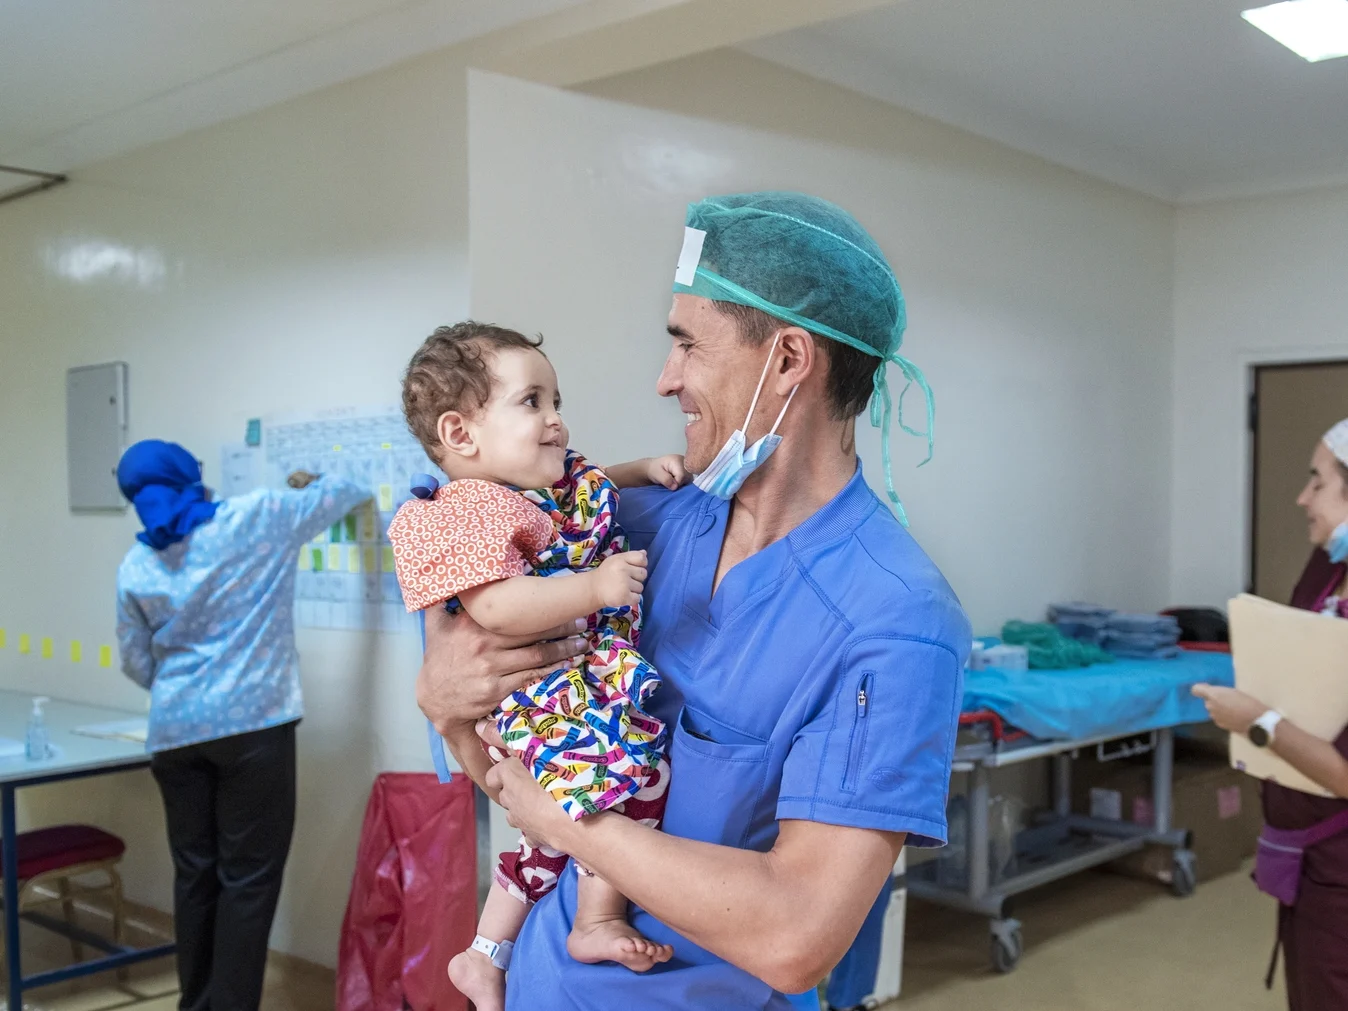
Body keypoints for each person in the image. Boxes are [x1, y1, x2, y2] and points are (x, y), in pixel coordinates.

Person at [416, 191, 971, 1010]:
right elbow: (492, 744)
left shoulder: (897, 620)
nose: (664, 379)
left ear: (788, 360)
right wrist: (442, 698)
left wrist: (565, 819)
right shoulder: (630, 528)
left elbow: (796, 936)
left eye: (685, 345)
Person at [386, 322, 690, 1011]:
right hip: (538, 695)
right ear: (461, 434)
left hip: (565, 684)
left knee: (546, 836)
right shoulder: (466, 511)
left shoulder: (535, 491)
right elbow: (497, 605)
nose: (556, 419)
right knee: (628, 778)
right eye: (532, 402)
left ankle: (484, 954)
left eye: (556, 400)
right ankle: (596, 919)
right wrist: (595, 588)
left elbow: (589, 492)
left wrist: (641, 469)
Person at [114, 439, 369, 1011]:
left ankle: (196, 1003)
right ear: (187, 473)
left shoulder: (137, 564)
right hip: (254, 728)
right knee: (248, 880)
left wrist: (182, 689)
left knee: (194, 874)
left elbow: (135, 661)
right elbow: (347, 490)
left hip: (175, 734)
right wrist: (311, 480)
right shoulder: (256, 517)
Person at [1194, 418, 1348, 1009]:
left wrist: (1257, 721)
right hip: (1314, 863)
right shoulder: (1328, 566)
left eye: (1318, 482)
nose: (1302, 498)